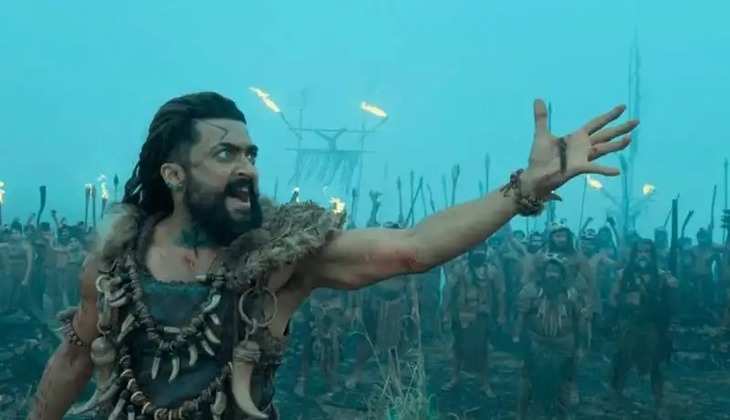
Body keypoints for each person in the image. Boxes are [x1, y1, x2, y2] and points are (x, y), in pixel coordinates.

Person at [29, 92, 635, 420]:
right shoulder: (115, 265)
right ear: (174, 174)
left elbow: (413, 249)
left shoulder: (280, 256)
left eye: (251, 153)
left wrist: (524, 189)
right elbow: (74, 358)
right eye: (225, 154)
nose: (248, 168)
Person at [513, 254, 589, 420]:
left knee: (566, 382)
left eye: (556, 271)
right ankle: (521, 414)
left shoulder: (572, 294)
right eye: (549, 270)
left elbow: (580, 321)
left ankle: (566, 414)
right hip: (536, 343)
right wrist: (517, 338)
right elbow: (521, 316)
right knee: (527, 379)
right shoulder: (530, 291)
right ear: (543, 272)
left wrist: (581, 347)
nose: (552, 275)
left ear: (562, 274)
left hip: (564, 345)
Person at [609, 239, 677, 419]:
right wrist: (626, 299)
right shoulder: (623, 275)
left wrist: (673, 287)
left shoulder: (662, 276)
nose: (643, 255)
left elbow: (671, 305)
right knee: (622, 361)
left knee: (656, 364)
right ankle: (616, 397)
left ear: (652, 255)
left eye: (647, 252)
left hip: (652, 326)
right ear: (634, 254)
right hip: (629, 324)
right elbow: (613, 299)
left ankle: (659, 402)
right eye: (639, 252)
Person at [441, 245, 505, 397]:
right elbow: (448, 290)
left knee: (484, 350)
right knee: (458, 347)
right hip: (461, 315)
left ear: (486, 252)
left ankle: (485, 383)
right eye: (476, 250)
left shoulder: (492, 271)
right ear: (470, 252)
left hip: (482, 316)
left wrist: (501, 314)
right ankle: (455, 378)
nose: (479, 253)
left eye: (482, 250)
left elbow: (500, 293)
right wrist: (446, 313)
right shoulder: (459, 268)